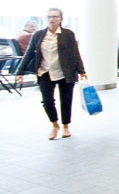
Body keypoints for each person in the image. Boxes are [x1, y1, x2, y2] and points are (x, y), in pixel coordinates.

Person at [17, 8, 87, 140]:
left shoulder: (68, 34)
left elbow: (75, 53)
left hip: (65, 72)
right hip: (45, 71)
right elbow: (28, 53)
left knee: (66, 100)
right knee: (47, 101)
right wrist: (20, 72)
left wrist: (82, 71)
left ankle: (66, 125)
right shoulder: (38, 35)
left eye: (55, 16)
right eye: (49, 16)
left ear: (61, 19)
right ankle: (55, 125)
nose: (52, 19)